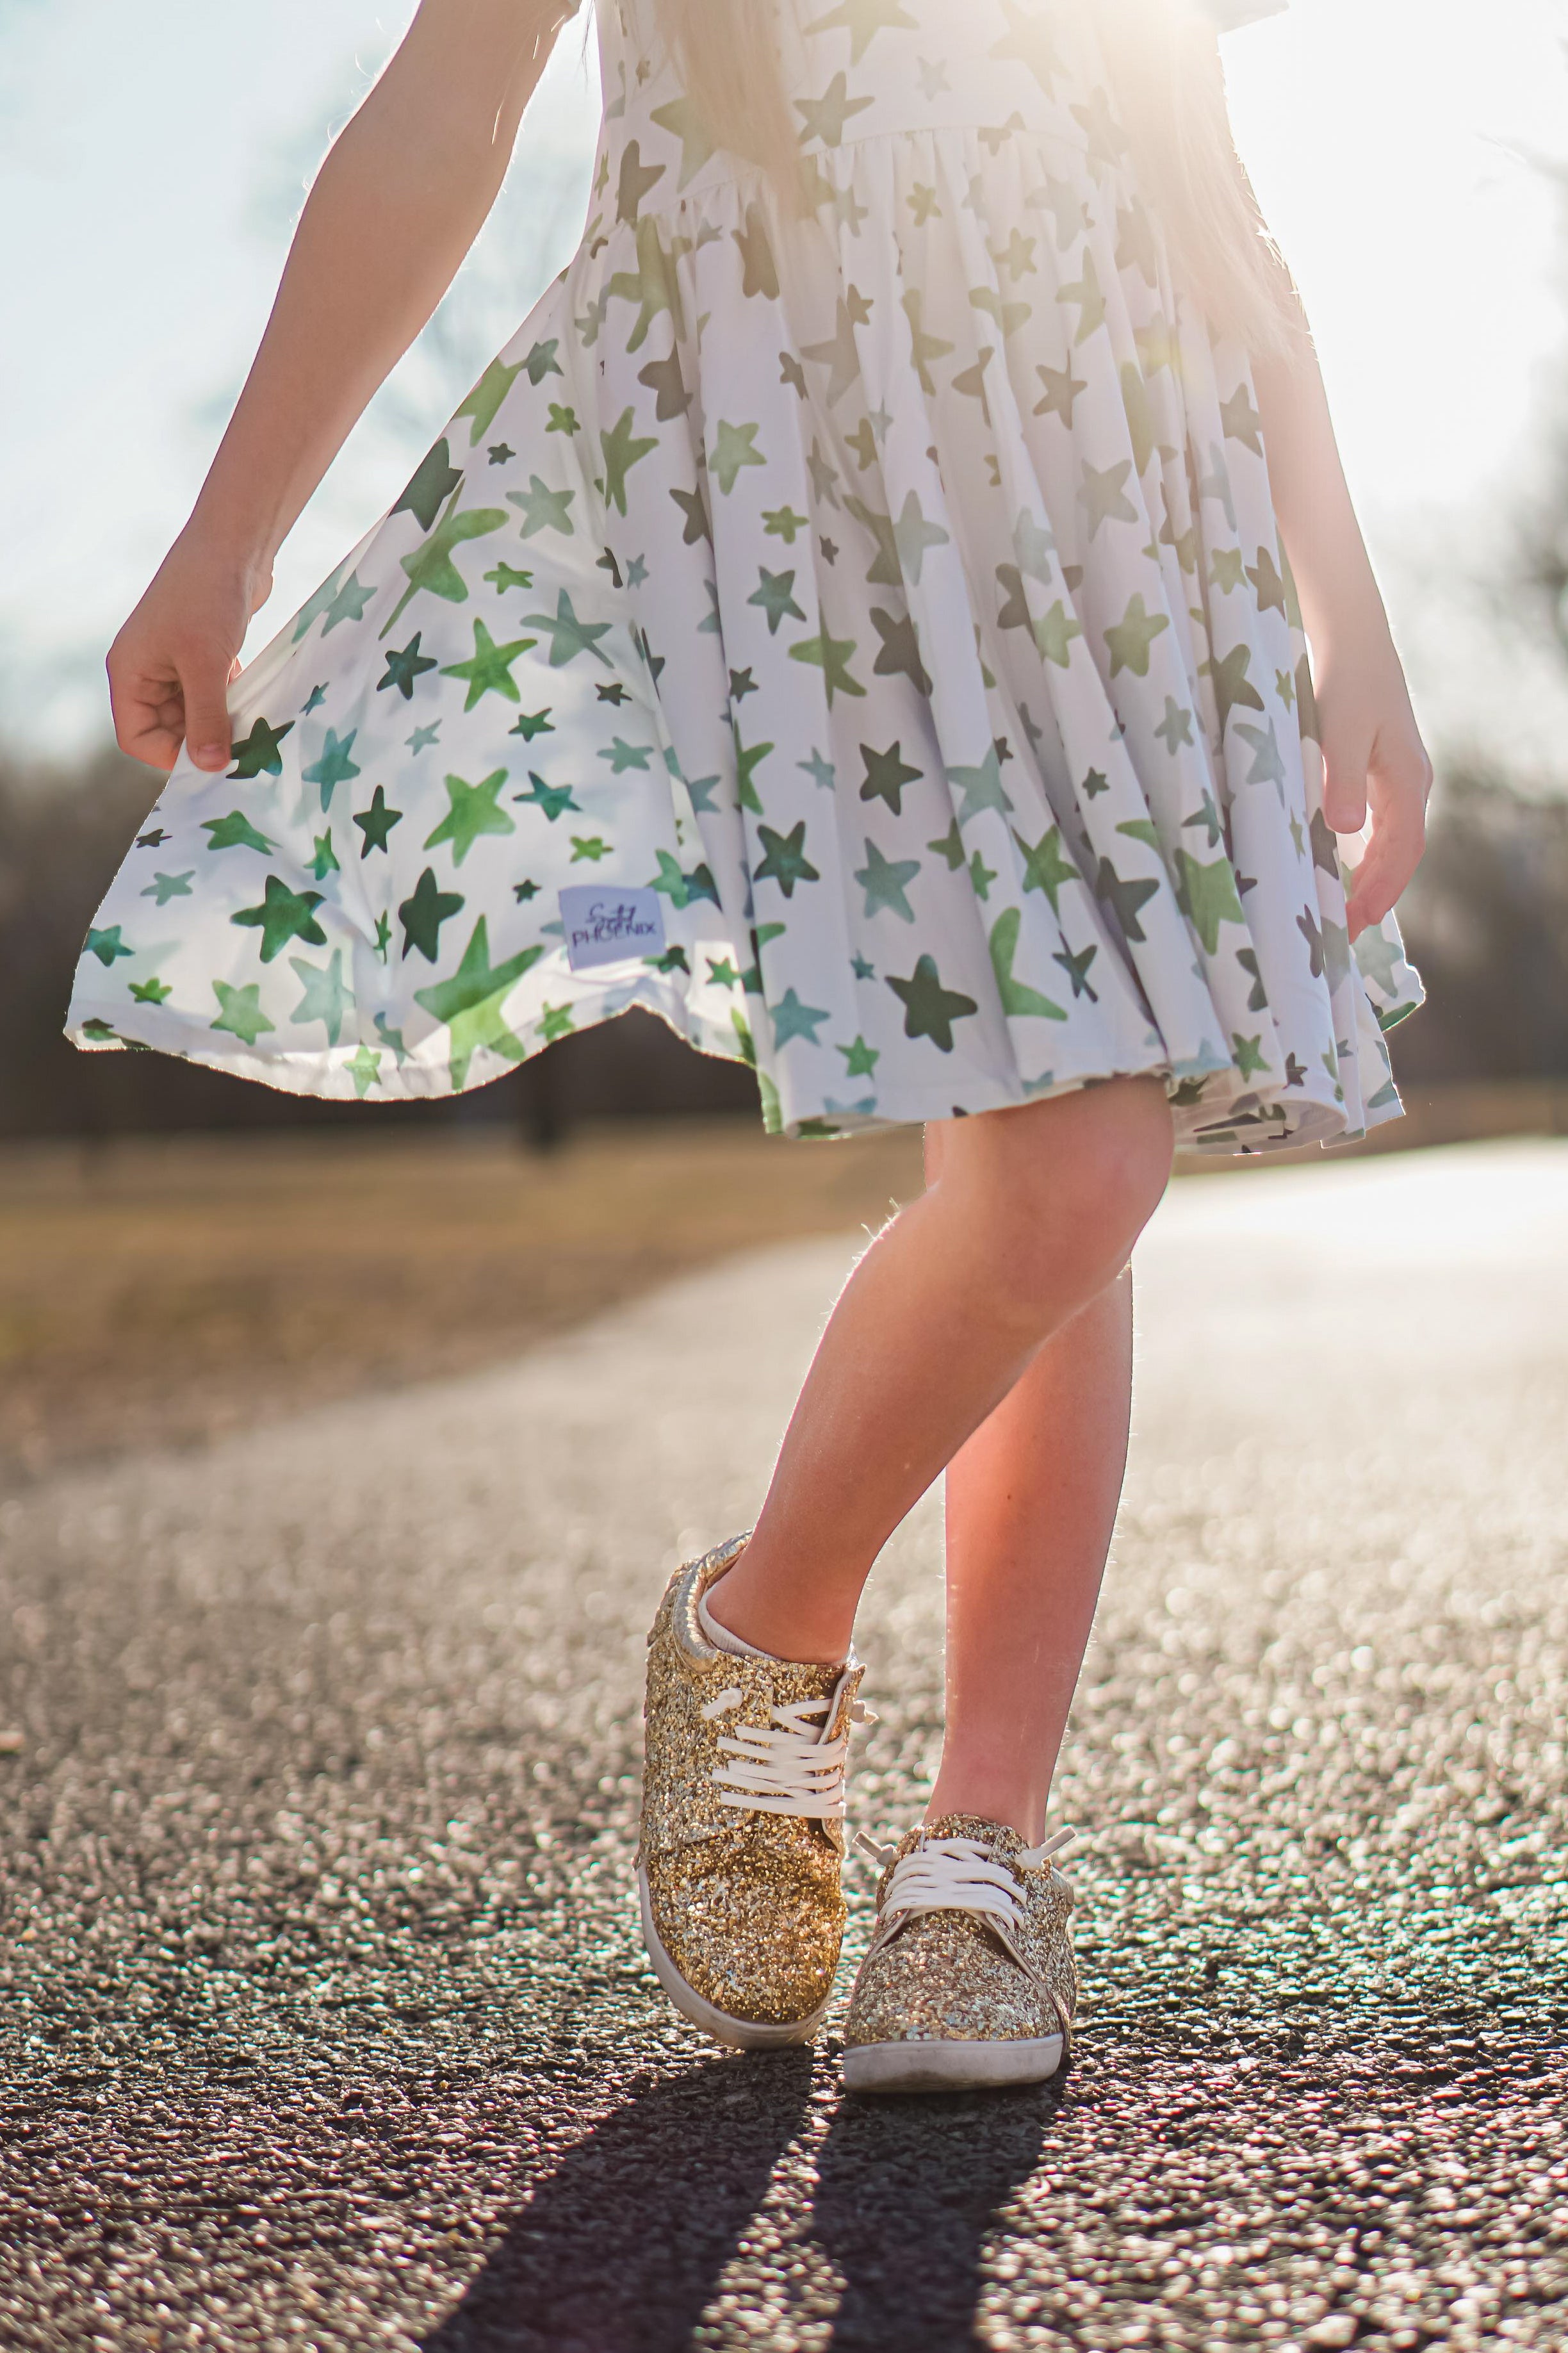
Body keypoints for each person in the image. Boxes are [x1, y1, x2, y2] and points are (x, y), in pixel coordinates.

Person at [76, 0, 1429, 2093]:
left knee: (1069, 1147)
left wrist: (1347, 608)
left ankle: (978, 1850)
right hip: (806, 455)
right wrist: (231, 534)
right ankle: (778, 1628)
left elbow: (1197, 162)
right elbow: (455, 98)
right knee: (1066, 1160)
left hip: (1129, 476)